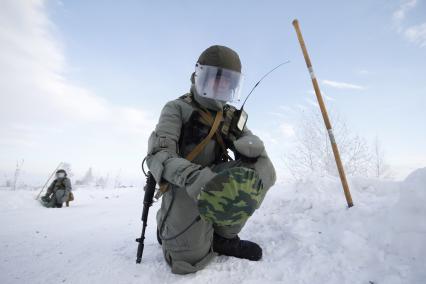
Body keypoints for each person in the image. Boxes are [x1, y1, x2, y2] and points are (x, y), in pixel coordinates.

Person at [146, 45, 276, 274]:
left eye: (228, 81)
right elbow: (159, 155)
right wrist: (192, 176)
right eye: (216, 78)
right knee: (189, 261)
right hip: (184, 185)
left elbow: (251, 142)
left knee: (263, 168)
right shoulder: (176, 108)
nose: (222, 85)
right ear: (200, 76)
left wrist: (249, 145)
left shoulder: (230, 116)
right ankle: (165, 225)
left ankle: (224, 237)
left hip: (216, 182)